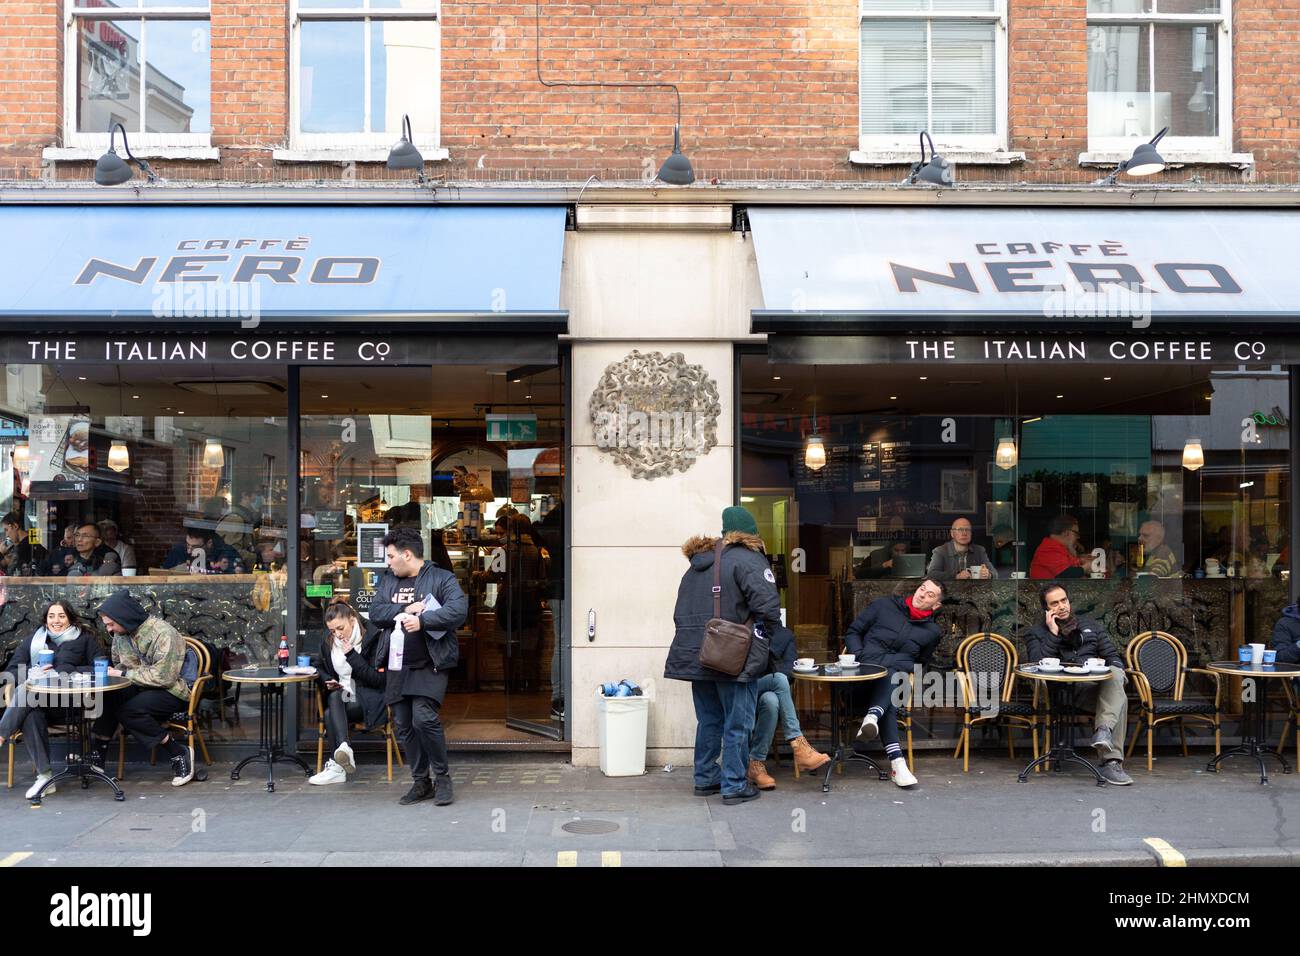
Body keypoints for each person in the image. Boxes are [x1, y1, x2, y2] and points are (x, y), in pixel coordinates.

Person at [665, 505, 783, 806]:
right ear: (751, 534)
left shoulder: (695, 567)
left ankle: (705, 778)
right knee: (738, 721)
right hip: (733, 655)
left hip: (696, 654)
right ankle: (733, 784)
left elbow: (680, 613)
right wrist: (763, 638)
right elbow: (768, 608)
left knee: (709, 720)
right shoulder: (748, 560)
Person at [368, 527, 468, 807]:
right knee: (402, 724)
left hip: (430, 663)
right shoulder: (388, 581)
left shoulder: (441, 577)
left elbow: (458, 611)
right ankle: (420, 781)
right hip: (396, 664)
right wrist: (403, 611)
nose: (387, 562)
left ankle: (443, 778)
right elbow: (375, 613)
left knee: (423, 718)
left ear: (407, 554)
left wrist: (424, 621)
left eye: (390, 556)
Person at [1025, 583, 1133, 786]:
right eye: (1054, 603)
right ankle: (1110, 759)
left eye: (1064, 600)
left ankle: (1104, 733)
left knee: (1117, 674)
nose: (1062, 606)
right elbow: (1036, 662)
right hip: (1060, 693)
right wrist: (1054, 633)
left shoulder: (1091, 625)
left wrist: (1110, 667)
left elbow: (1113, 657)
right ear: (1046, 609)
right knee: (1120, 700)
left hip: (1092, 688)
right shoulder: (1036, 632)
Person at [90, 592, 197, 786]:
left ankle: (178, 752)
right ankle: (98, 755)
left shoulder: (163, 633)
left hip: (172, 690)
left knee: (130, 711)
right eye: (106, 624)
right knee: (108, 697)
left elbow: (164, 677)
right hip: (140, 685)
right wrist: (116, 673)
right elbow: (120, 663)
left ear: (124, 617)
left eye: (111, 624)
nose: (109, 629)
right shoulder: (120, 634)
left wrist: (123, 675)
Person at [848, 578, 945, 788]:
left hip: (889, 686)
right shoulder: (883, 606)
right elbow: (853, 632)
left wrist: (899, 665)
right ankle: (897, 763)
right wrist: (859, 656)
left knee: (892, 678)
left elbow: (920, 662)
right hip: (860, 681)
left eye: (930, 595)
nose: (922, 595)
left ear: (936, 605)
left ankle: (875, 720)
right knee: (892, 682)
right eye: (922, 589)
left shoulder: (932, 632)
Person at [0, 601, 102, 798]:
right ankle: (45, 777)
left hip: (71, 704)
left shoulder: (84, 640)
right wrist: (33, 671)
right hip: (39, 704)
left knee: (27, 694)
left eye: (62, 616)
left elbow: (100, 668)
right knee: (30, 715)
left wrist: (63, 671)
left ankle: (2, 733)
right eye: (51, 616)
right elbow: (12, 671)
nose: (56, 620)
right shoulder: (35, 640)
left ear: (70, 618)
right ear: (45, 619)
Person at [311, 598, 386, 785]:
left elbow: (377, 680)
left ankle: (338, 764)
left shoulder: (373, 637)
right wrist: (327, 679)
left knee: (333, 706)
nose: (337, 634)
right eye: (332, 630)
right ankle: (343, 753)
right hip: (342, 697)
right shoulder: (329, 640)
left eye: (340, 628)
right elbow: (318, 666)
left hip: (368, 697)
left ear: (353, 620)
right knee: (332, 705)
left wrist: (351, 655)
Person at [747, 622, 829, 789]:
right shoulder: (747, 626)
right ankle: (798, 743)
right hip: (745, 688)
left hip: (768, 692)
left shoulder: (784, 635)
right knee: (779, 679)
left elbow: (789, 670)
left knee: (771, 701)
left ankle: (755, 764)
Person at [926, 517, 997, 581]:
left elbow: (995, 574)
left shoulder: (980, 550)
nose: (964, 533)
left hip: (973, 592)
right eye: (960, 530)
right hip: (948, 592)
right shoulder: (940, 551)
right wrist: (956, 576)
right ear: (952, 533)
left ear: (971, 533)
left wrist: (988, 575)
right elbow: (932, 574)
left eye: (967, 530)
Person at [1029, 514, 1089, 580]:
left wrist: (1080, 560)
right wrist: (1086, 567)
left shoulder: (1061, 548)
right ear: (1066, 533)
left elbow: (1071, 566)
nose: (1078, 537)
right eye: (1076, 533)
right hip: (1047, 589)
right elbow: (1067, 574)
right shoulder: (1049, 548)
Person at [51, 523, 121, 577]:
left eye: (85, 536)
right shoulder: (66, 554)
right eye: (77, 535)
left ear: (97, 542)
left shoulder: (107, 555)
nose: (79, 539)